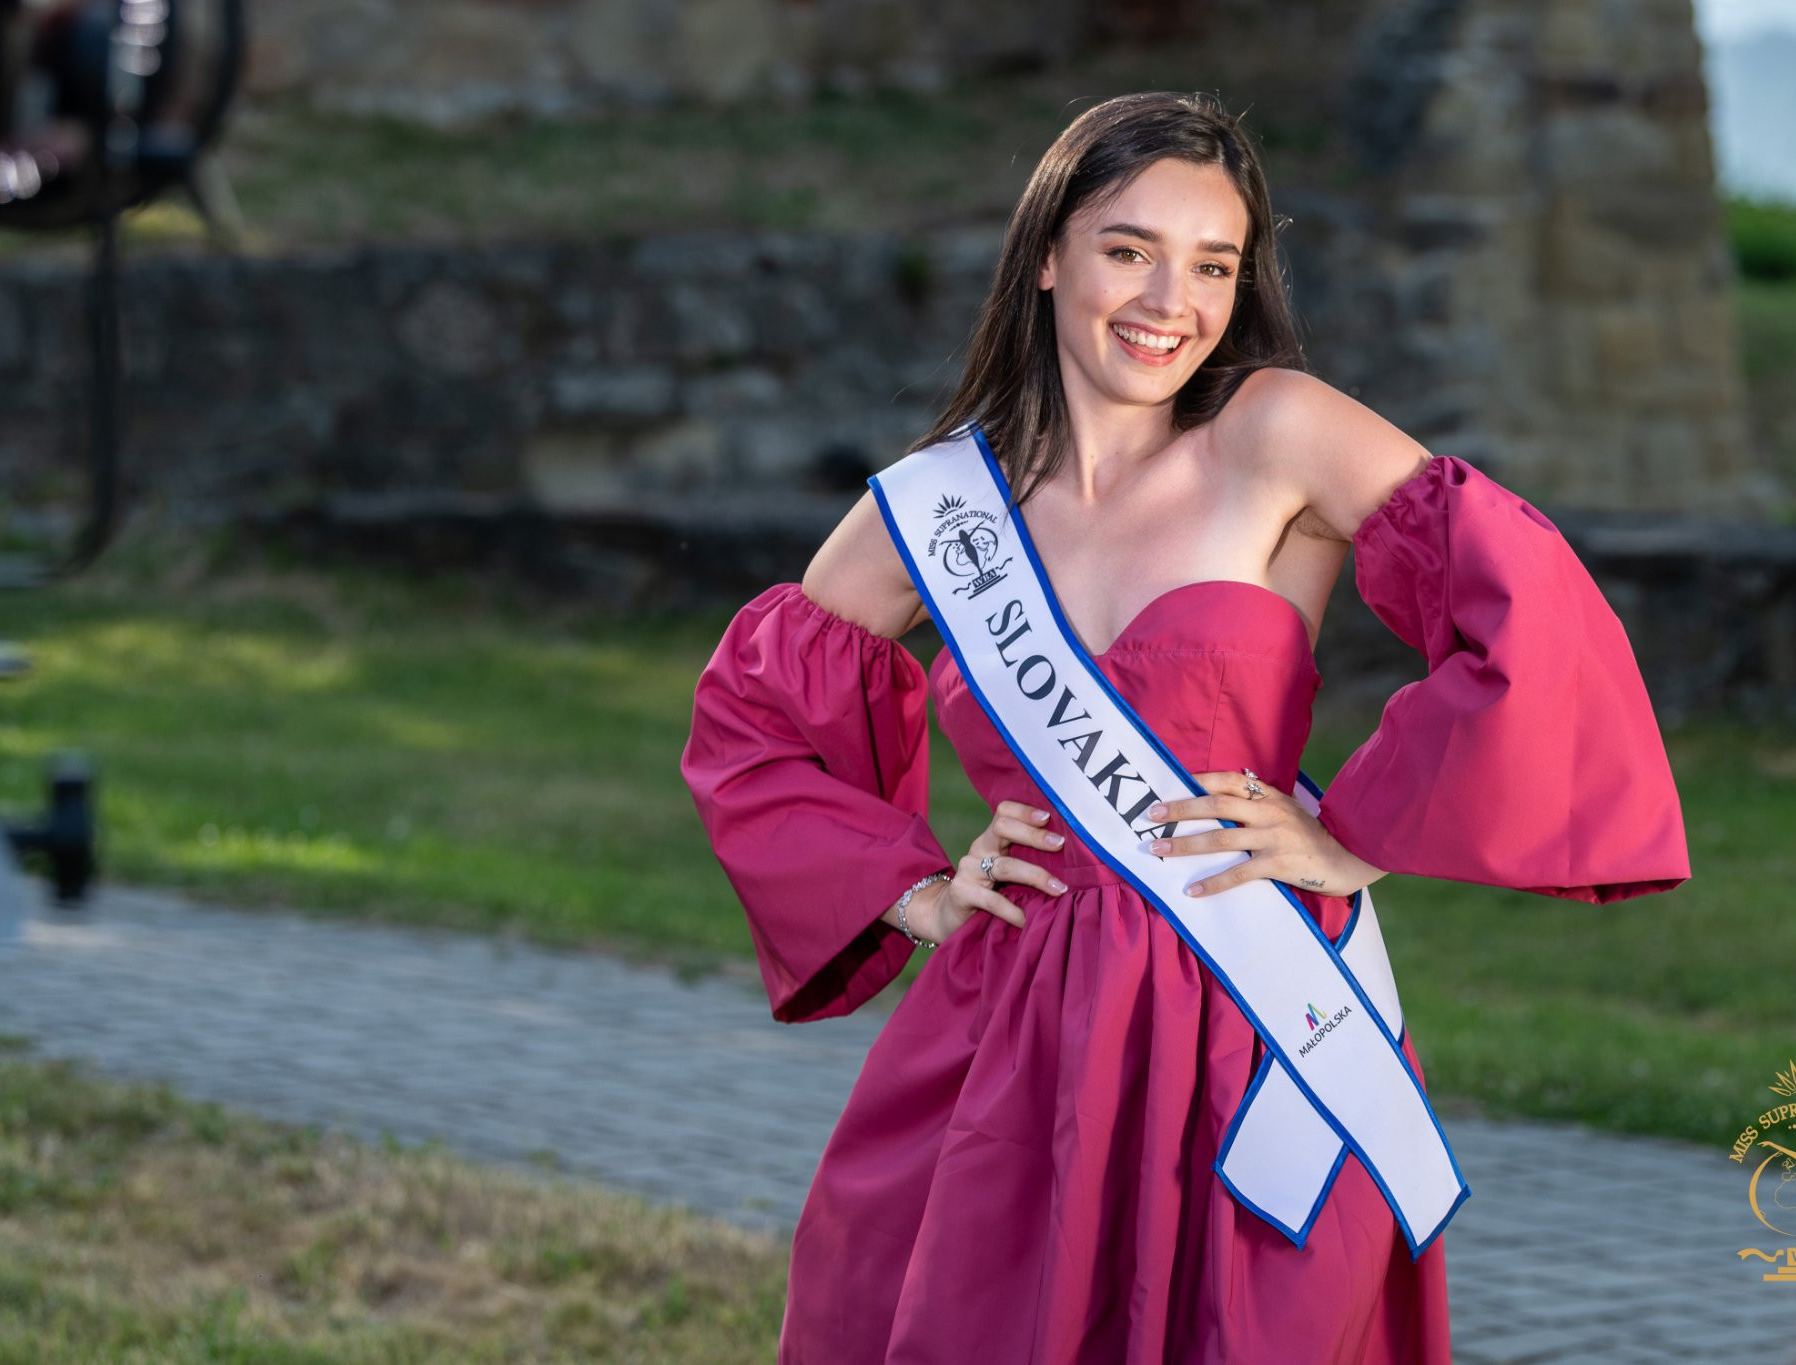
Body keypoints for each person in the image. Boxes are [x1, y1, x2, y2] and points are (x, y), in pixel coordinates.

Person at [681, 90, 1690, 1364]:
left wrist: (1359, 833)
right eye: (1128, 250)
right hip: (1014, 1028)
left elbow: (1524, 597)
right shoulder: (940, 510)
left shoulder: (1272, 434)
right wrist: (916, 892)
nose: (1171, 301)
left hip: (1249, 1017)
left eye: (1211, 264)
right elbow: (753, 722)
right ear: (1045, 256)